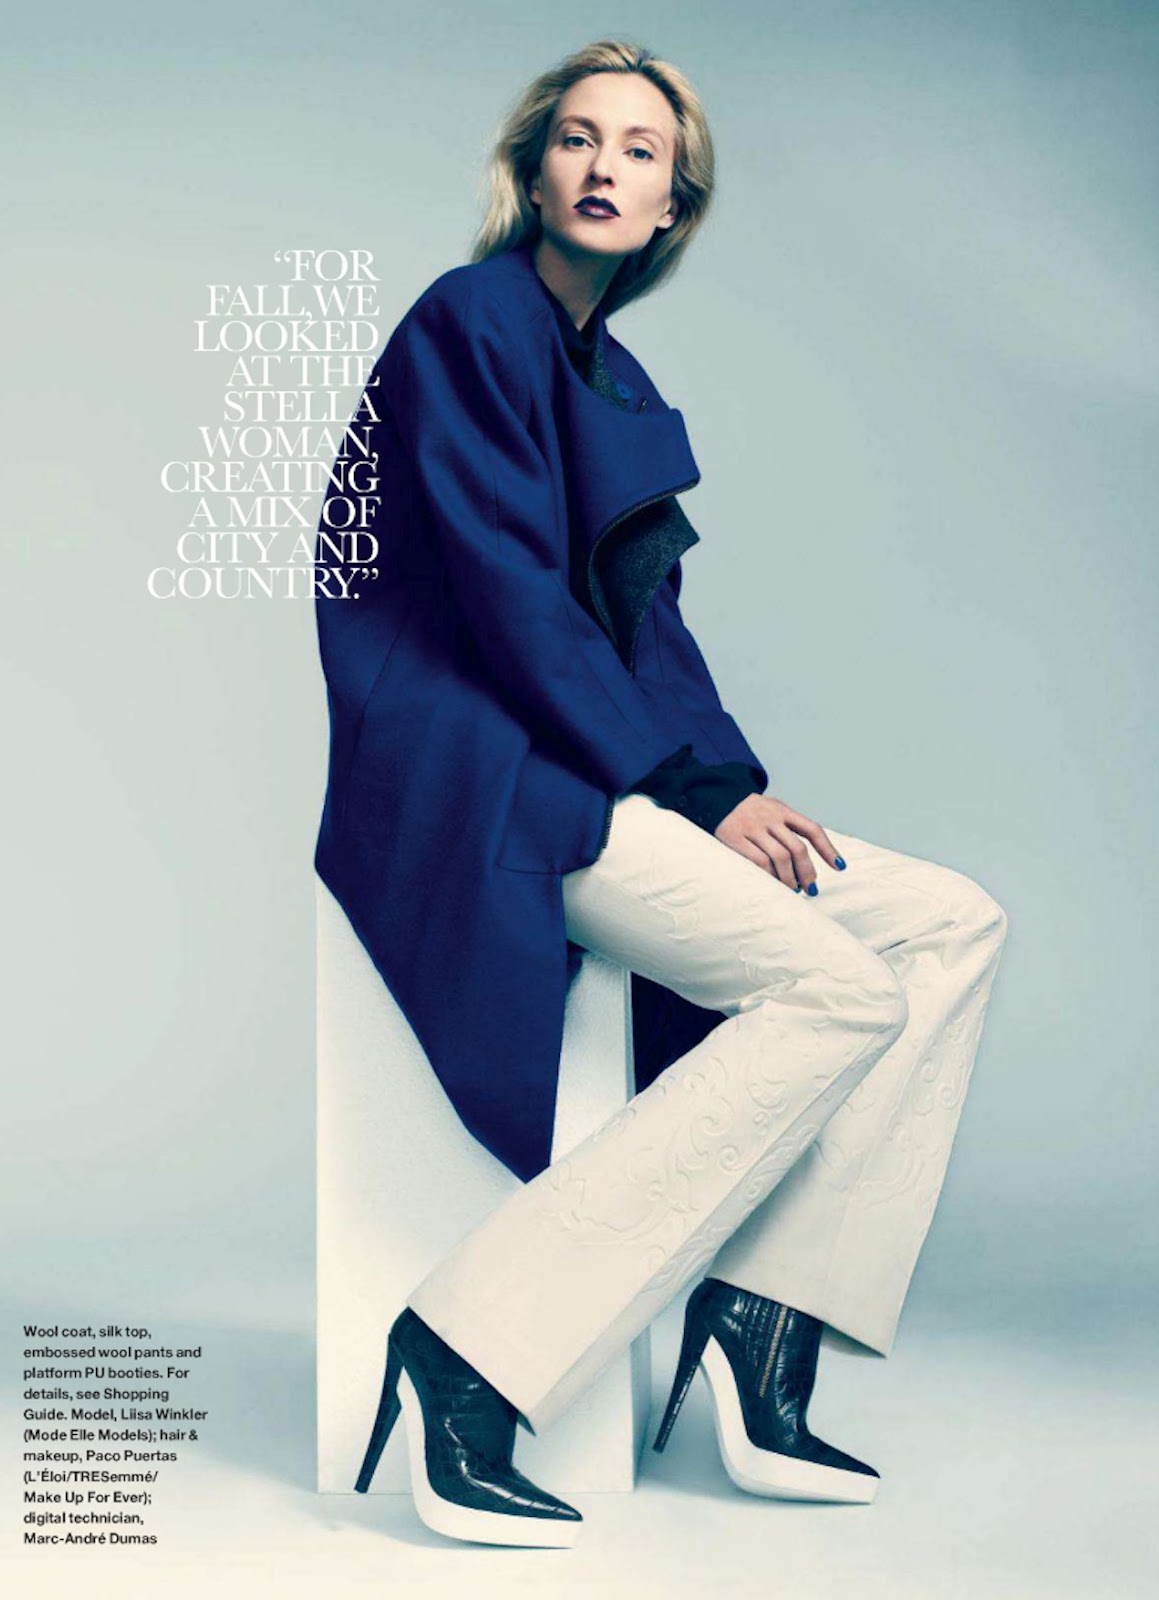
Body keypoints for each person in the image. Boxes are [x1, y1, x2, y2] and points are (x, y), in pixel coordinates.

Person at [313, 38, 1009, 1549]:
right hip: (483, 774)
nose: (604, 165)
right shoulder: (470, 320)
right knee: (837, 994)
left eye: (640, 150)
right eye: (578, 137)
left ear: (672, 204)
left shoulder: (611, 376)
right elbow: (508, 602)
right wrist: (672, 786)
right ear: (533, 169)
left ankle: (765, 1319)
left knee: (949, 922)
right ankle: (472, 1346)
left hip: (602, 765)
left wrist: (724, 792)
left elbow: (649, 636)